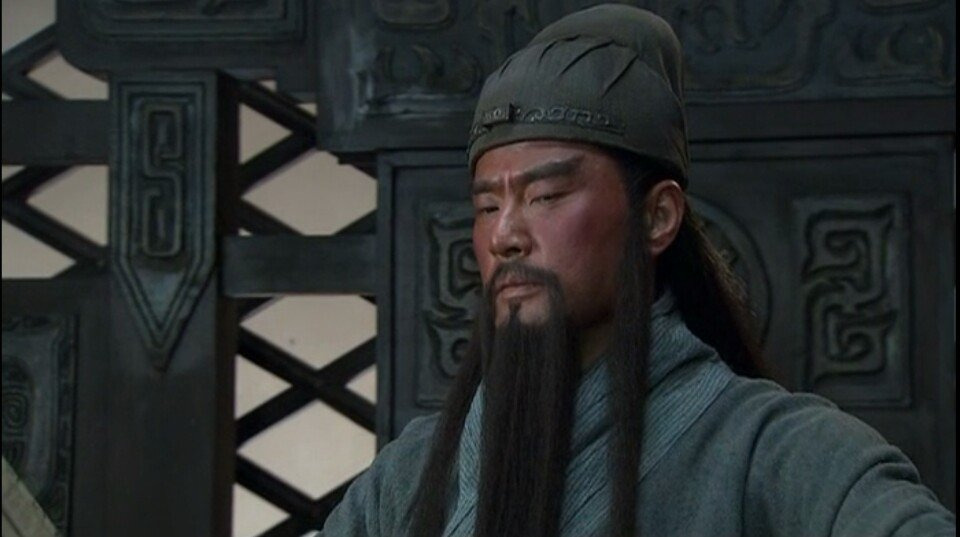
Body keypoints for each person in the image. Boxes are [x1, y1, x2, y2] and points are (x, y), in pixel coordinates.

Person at [314, 5, 956, 536]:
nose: (506, 235)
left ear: (658, 217)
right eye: (487, 206)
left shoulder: (773, 452)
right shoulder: (411, 473)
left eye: (545, 196)